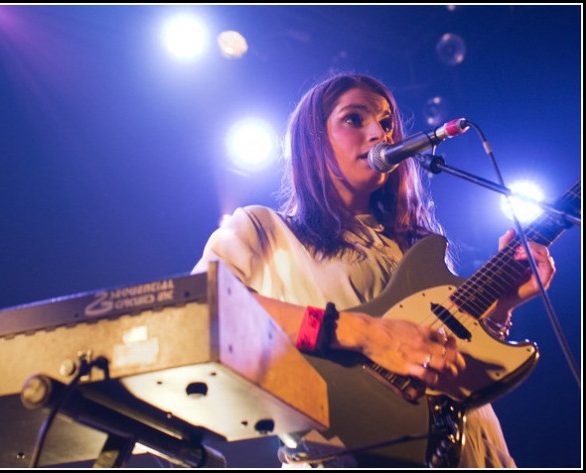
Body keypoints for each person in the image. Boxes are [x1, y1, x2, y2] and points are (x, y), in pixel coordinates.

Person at [191, 72, 556, 468]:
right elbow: (200, 311)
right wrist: (363, 333)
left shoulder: (417, 245)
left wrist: (500, 308)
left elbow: (456, 370)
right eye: (354, 119)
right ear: (312, 140)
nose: (379, 134)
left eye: (386, 123)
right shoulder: (265, 229)